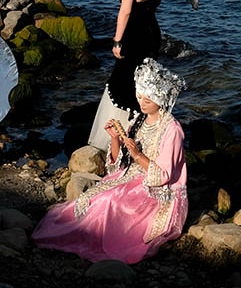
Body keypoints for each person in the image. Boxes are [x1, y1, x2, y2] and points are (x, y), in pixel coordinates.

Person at [32, 58, 188, 264]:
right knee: (91, 197)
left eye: (146, 101)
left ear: (160, 101)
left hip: (157, 189)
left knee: (111, 201)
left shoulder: (172, 129)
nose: (141, 103)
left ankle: (104, 243)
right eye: (139, 97)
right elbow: (116, 165)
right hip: (130, 176)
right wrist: (115, 138)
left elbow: (164, 176)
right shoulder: (139, 119)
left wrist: (139, 156)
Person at [86, 0, 163, 150]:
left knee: (122, 84)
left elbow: (126, 11)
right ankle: (144, 134)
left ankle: (119, 140)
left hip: (134, 35)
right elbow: (155, 3)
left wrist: (118, 40)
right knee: (144, 85)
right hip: (152, 32)